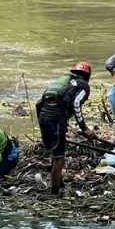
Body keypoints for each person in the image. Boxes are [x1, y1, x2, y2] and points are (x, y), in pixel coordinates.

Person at [36, 62, 95, 195]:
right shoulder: (83, 85)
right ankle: (55, 192)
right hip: (56, 117)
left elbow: (39, 103)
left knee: (55, 151)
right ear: (88, 76)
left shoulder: (62, 80)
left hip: (43, 115)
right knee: (59, 157)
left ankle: (59, 181)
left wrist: (42, 126)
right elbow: (76, 103)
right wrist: (84, 128)